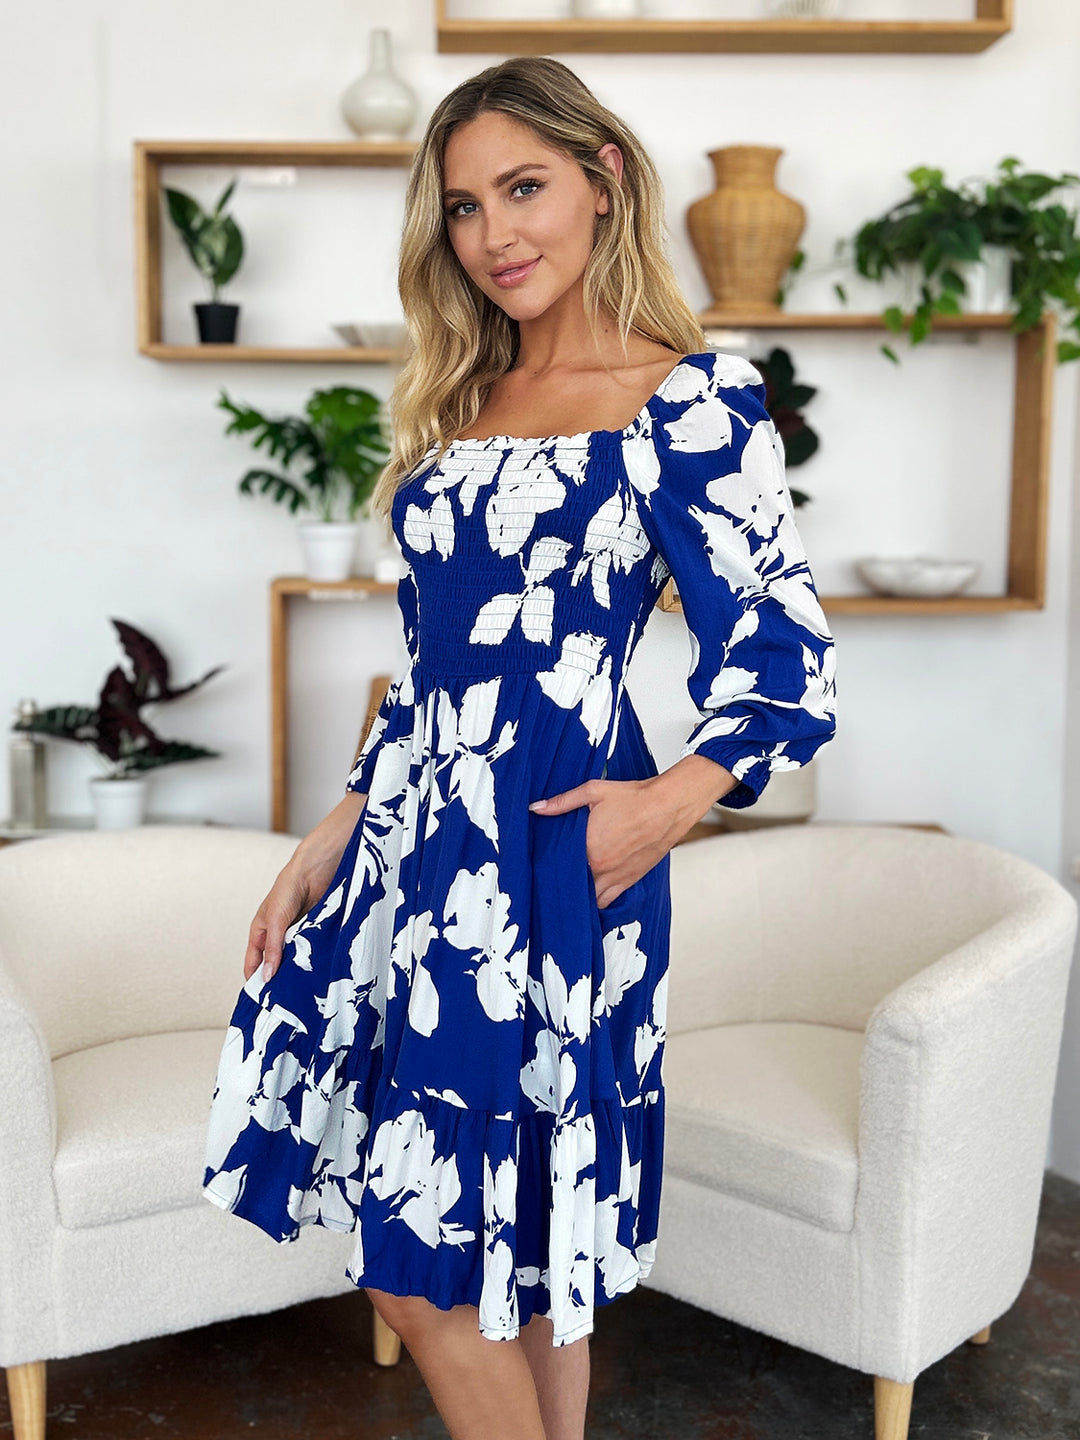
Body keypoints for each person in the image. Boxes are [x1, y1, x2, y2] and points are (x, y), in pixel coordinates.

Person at [201, 54, 837, 1440]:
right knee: (507, 1268)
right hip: (409, 852)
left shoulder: (690, 401)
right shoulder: (462, 402)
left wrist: (663, 808)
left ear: (604, 179)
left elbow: (787, 657)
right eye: (464, 206)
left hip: (552, 862)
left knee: (445, 1261)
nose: (493, 234)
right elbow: (439, 672)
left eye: (524, 187)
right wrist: (336, 827)